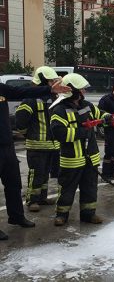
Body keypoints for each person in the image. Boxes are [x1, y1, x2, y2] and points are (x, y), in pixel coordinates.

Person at [0, 78, 70, 241]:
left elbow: (22, 92)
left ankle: (16, 216)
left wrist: (49, 90)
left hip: (6, 145)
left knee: (14, 183)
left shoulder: (1, 89)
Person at [50, 73, 112, 226]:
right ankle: (62, 215)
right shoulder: (59, 110)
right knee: (67, 189)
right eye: (82, 89)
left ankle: (88, 214)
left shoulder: (87, 106)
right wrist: (83, 132)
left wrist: (107, 117)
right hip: (71, 159)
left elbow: (99, 115)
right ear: (72, 90)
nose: (84, 92)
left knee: (90, 187)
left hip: (90, 157)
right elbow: (60, 133)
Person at [15, 66, 61, 212]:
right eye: (52, 81)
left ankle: (42, 197)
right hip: (36, 145)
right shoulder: (31, 98)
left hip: (51, 145)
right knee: (36, 173)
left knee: (45, 174)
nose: (54, 83)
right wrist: (27, 133)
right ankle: (32, 200)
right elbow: (20, 120)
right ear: (43, 81)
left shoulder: (53, 97)